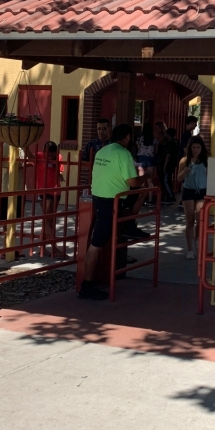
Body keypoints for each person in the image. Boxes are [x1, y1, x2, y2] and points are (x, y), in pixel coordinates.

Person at [79, 124, 147, 300]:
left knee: (98, 241)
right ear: (127, 137)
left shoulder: (103, 151)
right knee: (96, 244)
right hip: (113, 200)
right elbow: (132, 182)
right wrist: (146, 176)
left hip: (99, 197)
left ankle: (129, 224)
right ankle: (86, 285)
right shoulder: (123, 153)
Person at [176, 136, 209, 259]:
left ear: (202, 148)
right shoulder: (184, 160)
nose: (196, 150)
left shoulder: (205, 160)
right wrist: (184, 172)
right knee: (190, 220)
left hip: (202, 191)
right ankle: (190, 249)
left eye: (198, 147)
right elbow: (178, 178)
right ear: (190, 148)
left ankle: (197, 239)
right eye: (194, 147)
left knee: (200, 220)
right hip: (188, 191)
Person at [36, 141, 65, 258]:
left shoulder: (59, 157)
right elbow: (30, 157)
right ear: (44, 152)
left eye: (53, 154)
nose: (51, 156)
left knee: (49, 220)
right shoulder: (39, 156)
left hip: (56, 191)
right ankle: (54, 248)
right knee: (48, 220)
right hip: (43, 192)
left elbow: (60, 172)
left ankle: (42, 247)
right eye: (49, 154)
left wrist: (60, 174)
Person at [135, 122, 159, 197]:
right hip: (151, 158)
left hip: (141, 158)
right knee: (149, 179)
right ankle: (150, 198)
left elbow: (138, 148)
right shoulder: (155, 140)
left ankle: (141, 197)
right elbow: (156, 151)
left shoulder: (139, 139)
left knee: (141, 179)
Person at [159, 127, 181, 203]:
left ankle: (171, 196)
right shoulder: (177, 142)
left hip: (168, 164)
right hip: (173, 163)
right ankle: (169, 196)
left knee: (166, 180)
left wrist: (164, 166)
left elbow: (168, 155)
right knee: (168, 179)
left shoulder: (169, 143)